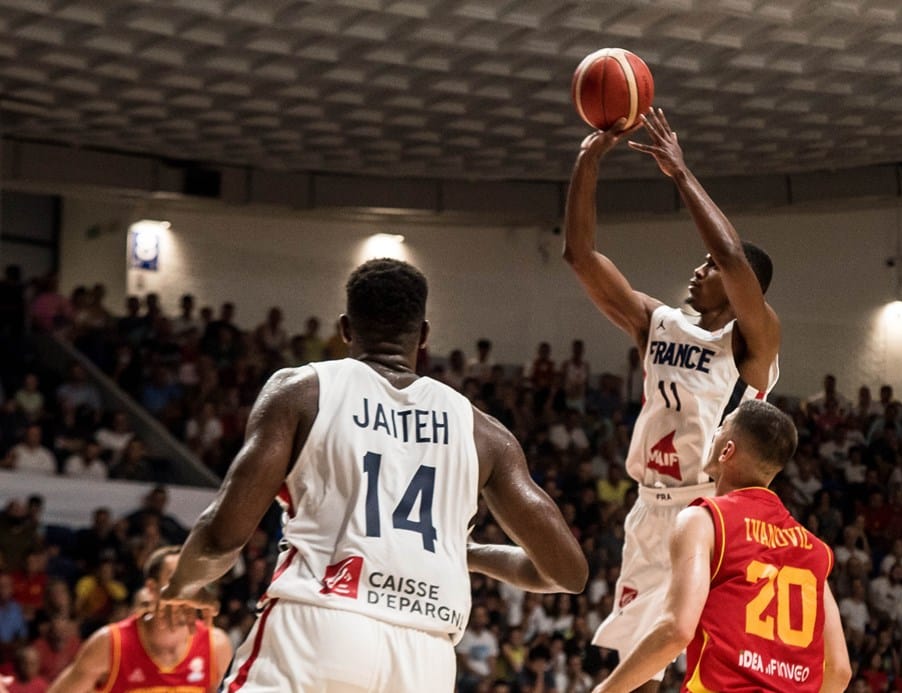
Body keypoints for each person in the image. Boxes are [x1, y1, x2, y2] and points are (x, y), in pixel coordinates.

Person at [159, 258, 587, 692]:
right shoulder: (482, 430)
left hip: (319, 625)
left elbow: (221, 537)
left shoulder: (302, 391)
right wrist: (470, 554)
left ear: (345, 328)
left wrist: (184, 585)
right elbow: (567, 574)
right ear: (423, 335)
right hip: (427, 657)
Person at [562, 107, 781, 688]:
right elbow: (580, 257)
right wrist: (587, 162)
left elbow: (732, 257)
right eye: (702, 263)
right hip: (651, 509)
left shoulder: (753, 340)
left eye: (709, 267)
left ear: (743, 289)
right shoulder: (656, 323)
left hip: (714, 507)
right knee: (639, 665)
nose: (700, 269)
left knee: (716, 661)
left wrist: (680, 173)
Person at [593, 400, 851, 692]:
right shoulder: (814, 550)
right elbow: (840, 671)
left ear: (727, 451)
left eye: (721, 428)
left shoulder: (704, 520)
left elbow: (677, 630)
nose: (714, 432)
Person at [48, 546, 231, 692]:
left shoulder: (216, 645)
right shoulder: (110, 643)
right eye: (175, 580)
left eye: (191, 580)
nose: (185, 589)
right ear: (152, 588)